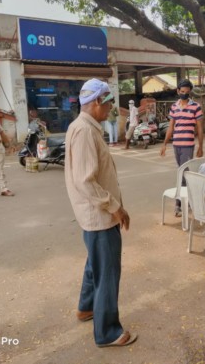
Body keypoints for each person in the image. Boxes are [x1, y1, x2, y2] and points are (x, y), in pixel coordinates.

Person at [65, 79, 137, 348]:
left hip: (94, 214)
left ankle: (86, 308)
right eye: (108, 103)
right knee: (107, 272)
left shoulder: (84, 127)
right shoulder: (84, 131)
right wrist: (114, 206)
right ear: (96, 102)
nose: (111, 108)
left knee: (95, 264)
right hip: (99, 215)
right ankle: (107, 332)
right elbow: (86, 180)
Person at [160, 79, 204, 216]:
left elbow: (200, 128)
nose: (184, 94)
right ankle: (189, 200)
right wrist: (164, 144)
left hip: (187, 145)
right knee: (182, 173)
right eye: (182, 91)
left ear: (190, 92)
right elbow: (171, 127)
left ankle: (179, 204)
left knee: (183, 174)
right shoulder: (174, 107)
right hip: (176, 145)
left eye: (187, 92)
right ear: (178, 91)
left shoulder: (196, 107)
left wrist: (200, 146)